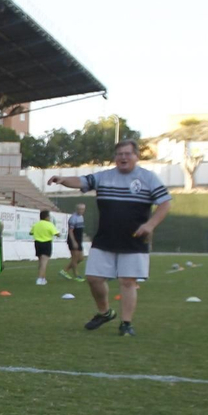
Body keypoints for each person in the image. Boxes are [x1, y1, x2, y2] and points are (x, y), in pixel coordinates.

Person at [47, 139, 172, 336]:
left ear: (136, 156)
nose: (123, 157)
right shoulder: (104, 177)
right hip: (105, 238)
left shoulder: (148, 178)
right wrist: (62, 179)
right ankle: (105, 312)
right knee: (93, 278)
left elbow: (165, 203)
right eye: (119, 154)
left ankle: (126, 323)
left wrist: (150, 225)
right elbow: (82, 181)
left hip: (133, 239)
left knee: (127, 282)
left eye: (127, 154)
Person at [31, 210, 57, 285]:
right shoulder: (49, 224)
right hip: (46, 243)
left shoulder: (36, 224)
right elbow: (56, 233)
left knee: (40, 262)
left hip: (37, 243)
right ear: (46, 217)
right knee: (44, 262)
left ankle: (43, 278)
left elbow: (31, 232)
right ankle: (39, 279)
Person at [61, 203, 87, 280]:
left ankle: (64, 270)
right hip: (73, 240)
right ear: (77, 209)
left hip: (79, 240)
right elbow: (70, 231)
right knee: (75, 258)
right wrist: (74, 241)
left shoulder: (81, 217)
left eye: (83, 209)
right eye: (80, 209)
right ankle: (76, 275)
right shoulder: (73, 218)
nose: (81, 211)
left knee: (81, 258)